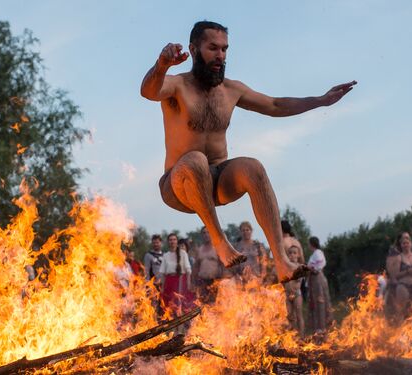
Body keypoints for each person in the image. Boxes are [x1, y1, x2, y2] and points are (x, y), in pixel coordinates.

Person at [140, 21, 355, 282]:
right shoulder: (177, 85)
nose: (220, 56)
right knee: (196, 159)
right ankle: (220, 241)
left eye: (224, 49)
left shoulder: (232, 90)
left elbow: (275, 105)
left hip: (216, 182)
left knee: (253, 166)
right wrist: (162, 63)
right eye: (213, 48)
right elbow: (149, 91)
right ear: (194, 50)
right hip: (178, 185)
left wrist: (320, 101)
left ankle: (282, 261)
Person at [158, 233, 194, 324]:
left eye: (174, 239)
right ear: (168, 242)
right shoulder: (166, 255)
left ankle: (181, 328)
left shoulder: (183, 253)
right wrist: (162, 286)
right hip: (169, 281)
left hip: (181, 280)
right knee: (170, 305)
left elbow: (188, 270)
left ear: (177, 241)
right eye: (170, 240)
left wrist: (189, 283)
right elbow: (162, 272)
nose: (172, 241)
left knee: (181, 304)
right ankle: (173, 327)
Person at [386, 234, 412, 321]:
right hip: (403, 286)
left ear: (411, 244)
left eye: (407, 243)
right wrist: (406, 272)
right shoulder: (399, 258)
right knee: (402, 311)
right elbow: (395, 275)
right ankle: (400, 331)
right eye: (403, 243)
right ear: (401, 245)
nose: (405, 245)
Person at [306, 236, 333, 333]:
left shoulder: (318, 253)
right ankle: (318, 327)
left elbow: (318, 267)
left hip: (318, 279)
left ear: (312, 243)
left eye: (308, 243)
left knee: (320, 301)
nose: (308, 245)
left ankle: (322, 327)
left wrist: (309, 269)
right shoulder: (315, 254)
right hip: (314, 280)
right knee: (316, 302)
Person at [192, 226, 224, 303]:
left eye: (208, 232)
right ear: (202, 235)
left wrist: (222, 279)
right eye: (204, 233)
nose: (206, 235)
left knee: (213, 304)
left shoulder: (217, 249)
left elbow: (222, 265)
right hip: (202, 281)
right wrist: (193, 282)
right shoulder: (199, 250)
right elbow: (196, 267)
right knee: (202, 304)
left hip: (214, 281)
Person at [283, 245, 305, 337]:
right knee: (290, 316)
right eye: (290, 253)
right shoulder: (285, 266)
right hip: (287, 295)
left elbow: (299, 279)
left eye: (294, 253)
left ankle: (302, 336)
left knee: (299, 316)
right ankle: (293, 336)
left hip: (297, 294)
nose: (292, 255)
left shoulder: (300, 266)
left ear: (298, 255)